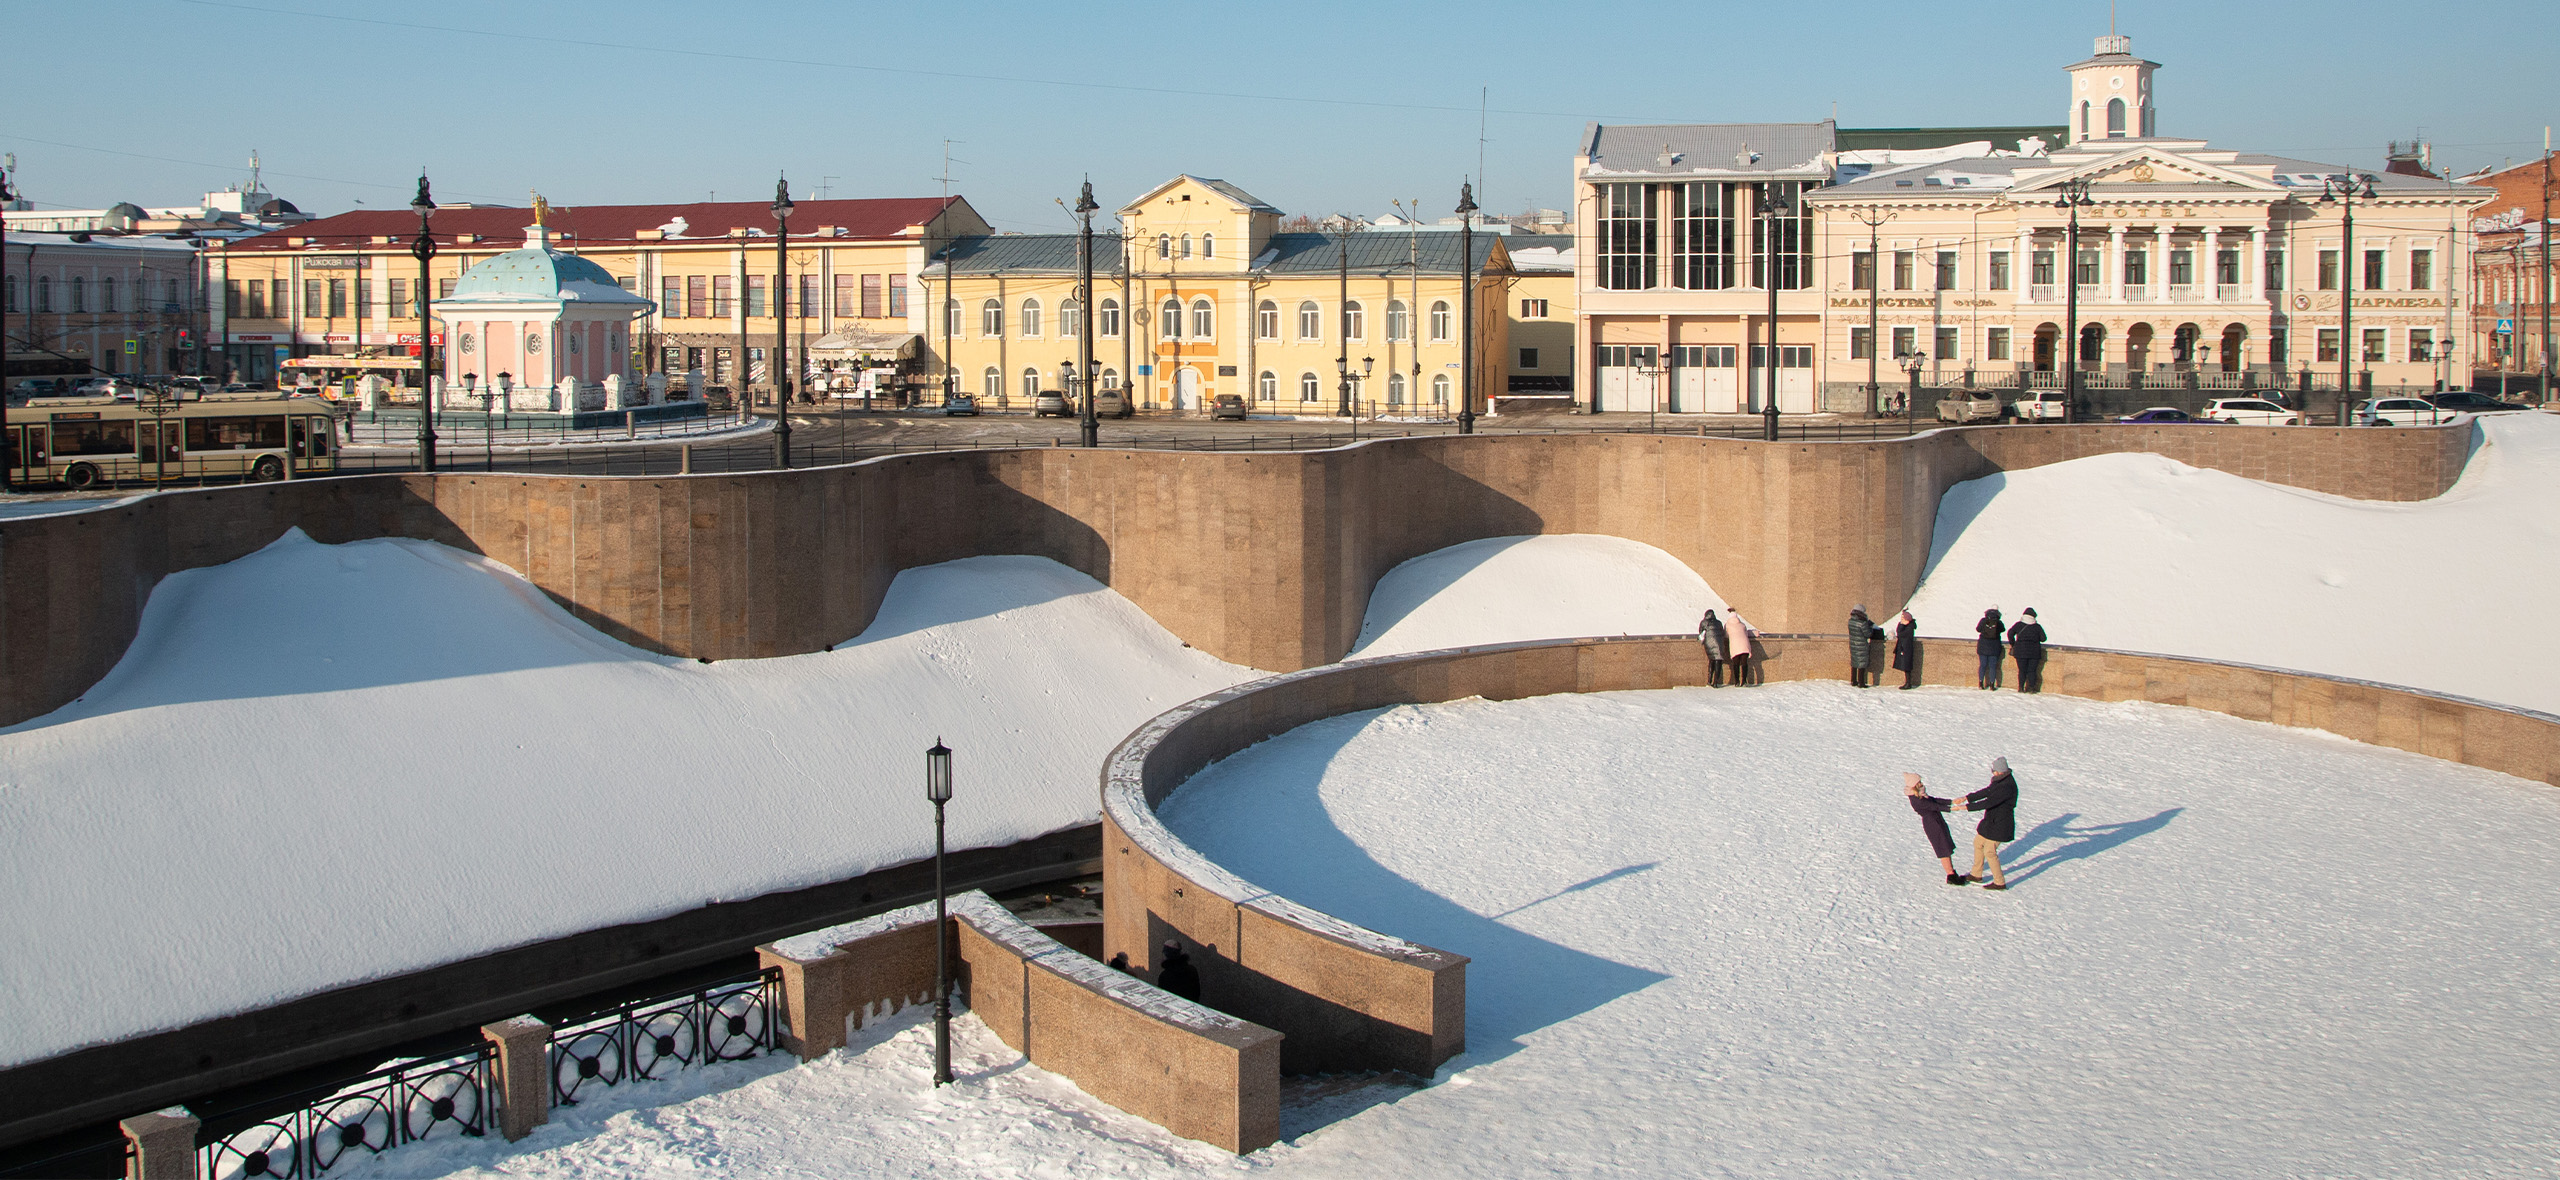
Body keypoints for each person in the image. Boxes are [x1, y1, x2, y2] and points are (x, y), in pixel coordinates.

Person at [1951, 756, 2019, 890]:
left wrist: (1965, 807)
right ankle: (1976, 874)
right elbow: (1987, 791)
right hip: (1991, 821)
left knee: (1989, 851)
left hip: (2001, 824)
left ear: (2000, 771)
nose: (1992, 772)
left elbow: (1989, 802)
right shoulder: (1999, 781)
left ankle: (1999, 882)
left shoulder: (2007, 786)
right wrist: (1966, 798)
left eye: (1994, 770)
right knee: (1978, 843)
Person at [1904, 772, 1969, 885]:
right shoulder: (1916, 799)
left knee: (1945, 846)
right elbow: (1933, 806)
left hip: (1936, 820)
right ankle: (1951, 874)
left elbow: (1934, 801)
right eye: (1919, 782)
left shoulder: (1920, 794)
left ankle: (1952, 873)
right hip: (1932, 823)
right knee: (1943, 848)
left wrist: (1951, 802)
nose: (1921, 783)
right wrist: (1953, 809)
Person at [2008, 608, 2048, 694]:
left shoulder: (2018, 625)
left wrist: (2013, 644)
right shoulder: (2037, 626)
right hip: (2034, 652)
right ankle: (2032, 688)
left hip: (2021, 651)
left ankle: (2021, 687)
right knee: (2032, 670)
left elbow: (2010, 633)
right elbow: (2043, 639)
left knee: (2022, 670)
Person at [1722, 608, 1757, 686]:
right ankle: (1744, 681)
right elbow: (1746, 634)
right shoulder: (1742, 624)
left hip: (1735, 645)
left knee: (1736, 664)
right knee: (1744, 663)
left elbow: (1726, 635)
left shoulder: (1727, 625)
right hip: (1745, 644)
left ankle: (1737, 681)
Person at [1974, 608, 2006, 690]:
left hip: (1983, 646)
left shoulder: (1983, 620)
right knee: (1993, 666)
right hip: (1994, 647)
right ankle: (1992, 684)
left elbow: (1978, 629)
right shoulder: (1998, 622)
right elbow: (2003, 629)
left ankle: (1981, 683)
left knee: (1983, 665)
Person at [1891, 610, 1922, 689]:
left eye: (1903, 618)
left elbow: (1900, 634)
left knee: (1907, 666)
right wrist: (1901, 624)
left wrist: (1901, 625)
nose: (1901, 620)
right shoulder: (1907, 626)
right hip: (1904, 648)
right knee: (1905, 666)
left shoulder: (1909, 628)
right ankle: (1907, 683)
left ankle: (1908, 683)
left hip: (1906, 649)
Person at [1847, 606, 1877, 687]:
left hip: (1853, 644)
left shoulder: (1850, 621)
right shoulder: (1862, 623)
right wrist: (1870, 627)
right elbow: (1868, 634)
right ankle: (1861, 682)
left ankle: (1853, 681)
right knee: (1861, 664)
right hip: (1861, 645)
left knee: (1854, 662)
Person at [1699, 608, 1729, 687]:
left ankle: (1709, 680)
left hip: (1709, 644)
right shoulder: (1718, 623)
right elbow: (1722, 632)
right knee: (1718, 661)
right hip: (1719, 644)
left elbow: (1700, 632)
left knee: (1711, 660)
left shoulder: (1704, 622)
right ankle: (1715, 682)